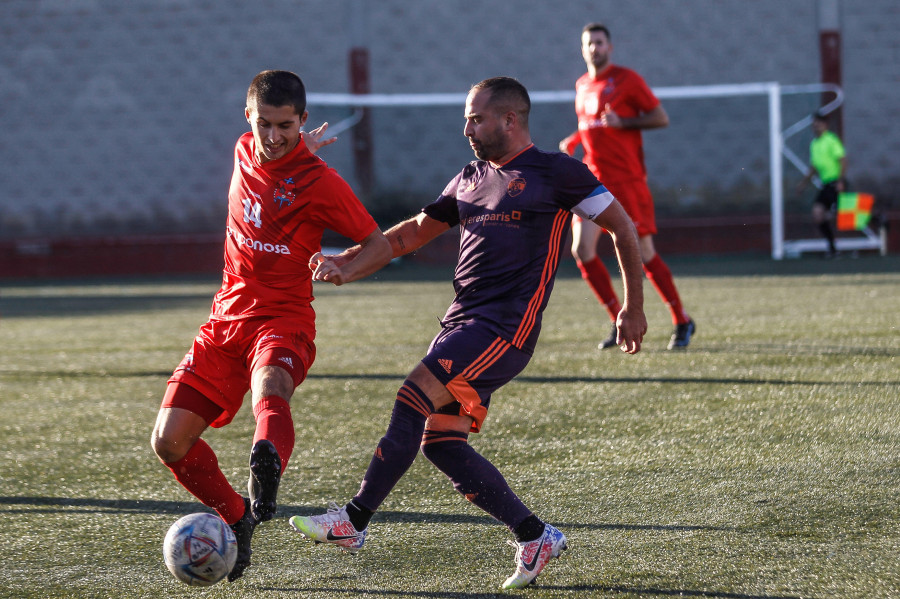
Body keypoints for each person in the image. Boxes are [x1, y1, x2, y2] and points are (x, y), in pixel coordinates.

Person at [289, 77, 647, 590]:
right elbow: (411, 233)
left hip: (505, 327)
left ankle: (354, 520)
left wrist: (632, 306)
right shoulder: (470, 177)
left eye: (476, 119)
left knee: (412, 396)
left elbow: (623, 227)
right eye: (466, 118)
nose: (467, 128)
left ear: (510, 120)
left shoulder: (556, 171)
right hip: (462, 321)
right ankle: (534, 535)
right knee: (442, 443)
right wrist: (348, 262)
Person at [150, 70, 392, 582]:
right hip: (223, 322)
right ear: (248, 119)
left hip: (283, 319)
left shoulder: (321, 181)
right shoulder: (245, 149)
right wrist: (294, 144)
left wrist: (342, 268)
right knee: (168, 443)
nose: (274, 136)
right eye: (266, 124)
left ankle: (266, 465)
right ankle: (237, 517)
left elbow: (379, 243)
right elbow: (273, 155)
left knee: (272, 385)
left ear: (302, 120)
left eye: (287, 126)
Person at [559, 22, 695, 350]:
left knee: (644, 254)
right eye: (589, 43)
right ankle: (616, 320)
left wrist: (626, 123)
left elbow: (660, 117)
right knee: (582, 250)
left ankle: (681, 320)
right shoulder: (581, 85)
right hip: (593, 182)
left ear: (610, 47)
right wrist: (576, 139)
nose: (594, 48)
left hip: (628, 182)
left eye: (600, 43)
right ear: (582, 48)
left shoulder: (627, 79)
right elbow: (592, 125)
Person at [796, 111, 847, 258]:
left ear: (825, 125)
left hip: (835, 183)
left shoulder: (831, 140)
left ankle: (877, 218)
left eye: (819, 123)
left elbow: (842, 160)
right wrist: (803, 183)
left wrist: (841, 181)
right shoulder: (814, 144)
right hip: (826, 185)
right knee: (818, 214)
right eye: (814, 124)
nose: (816, 126)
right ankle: (832, 248)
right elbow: (814, 167)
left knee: (848, 213)